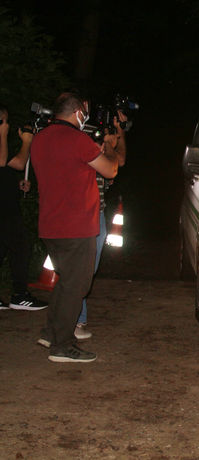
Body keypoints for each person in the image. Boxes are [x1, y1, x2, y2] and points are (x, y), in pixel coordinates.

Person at [31, 92, 123, 363]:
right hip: (77, 226)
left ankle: (51, 332)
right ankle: (62, 346)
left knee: (65, 282)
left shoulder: (40, 139)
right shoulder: (77, 140)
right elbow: (110, 170)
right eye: (84, 112)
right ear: (77, 113)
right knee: (76, 287)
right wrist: (110, 147)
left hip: (50, 224)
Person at [75, 109, 128, 340]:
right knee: (79, 270)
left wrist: (118, 135)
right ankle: (73, 322)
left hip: (95, 210)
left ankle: (75, 320)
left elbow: (119, 160)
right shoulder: (80, 135)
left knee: (83, 270)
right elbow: (113, 164)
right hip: (83, 211)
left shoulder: (99, 136)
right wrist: (108, 144)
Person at [0, 105, 47, 311]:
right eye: (3, 120)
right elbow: (7, 162)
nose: (7, 125)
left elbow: (10, 168)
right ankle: (19, 295)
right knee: (21, 247)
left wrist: (17, 185)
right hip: (5, 211)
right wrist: (26, 142)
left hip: (7, 205)